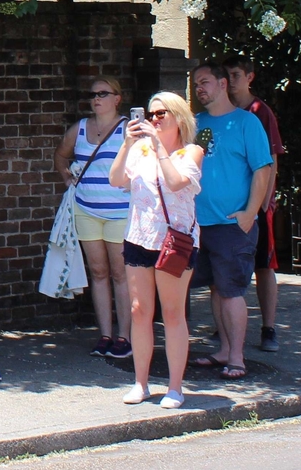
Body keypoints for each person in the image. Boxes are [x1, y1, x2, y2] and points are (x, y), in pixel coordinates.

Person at [108, 92, 203, 409]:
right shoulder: (140, 151)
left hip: (173, 243)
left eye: (161, 114)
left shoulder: (191, 152)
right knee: (139, 310)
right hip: (139, 237)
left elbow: (176, 183)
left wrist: (159, 145)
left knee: (173, 312)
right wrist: (126, 144)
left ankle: (175, 387)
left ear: (178, 117)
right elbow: (116, 179)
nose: (154, 120)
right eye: (150, 114)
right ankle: (141, 382)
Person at [189, 63, 274, 381]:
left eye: (205, 82)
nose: (200, 88)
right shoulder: (196, 123)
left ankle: (237, 358)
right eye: (196, 83)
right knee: (216, 288)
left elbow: (262, 169)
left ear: (223, 84)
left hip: (231, 224)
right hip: (200, 224)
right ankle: (223, 349)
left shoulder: (246, 123)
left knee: (232, 290)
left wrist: (250, 213)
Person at [54, 77, 132, 359]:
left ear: (117, 98)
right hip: (86, 209)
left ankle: (125, 335)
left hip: (120, 212)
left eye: (103, 94)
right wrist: (67, 178)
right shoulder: (81, 128)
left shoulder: (128, 129)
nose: (96, 99)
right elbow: (61, 156)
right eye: (93, 94)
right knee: (98, 273)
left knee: (121, 274)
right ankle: (105, 334)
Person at [225, 57, 285, 352]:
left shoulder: (260, 112)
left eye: (236, 75)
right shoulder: (222, 112)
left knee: (263, 265)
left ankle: (269, 327)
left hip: (256, 203)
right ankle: (225, 328)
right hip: (229, 202)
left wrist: (264, 202)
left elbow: (272, 159)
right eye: (227, 75)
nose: (231, 81)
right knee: (225, 263)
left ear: (250, 77)